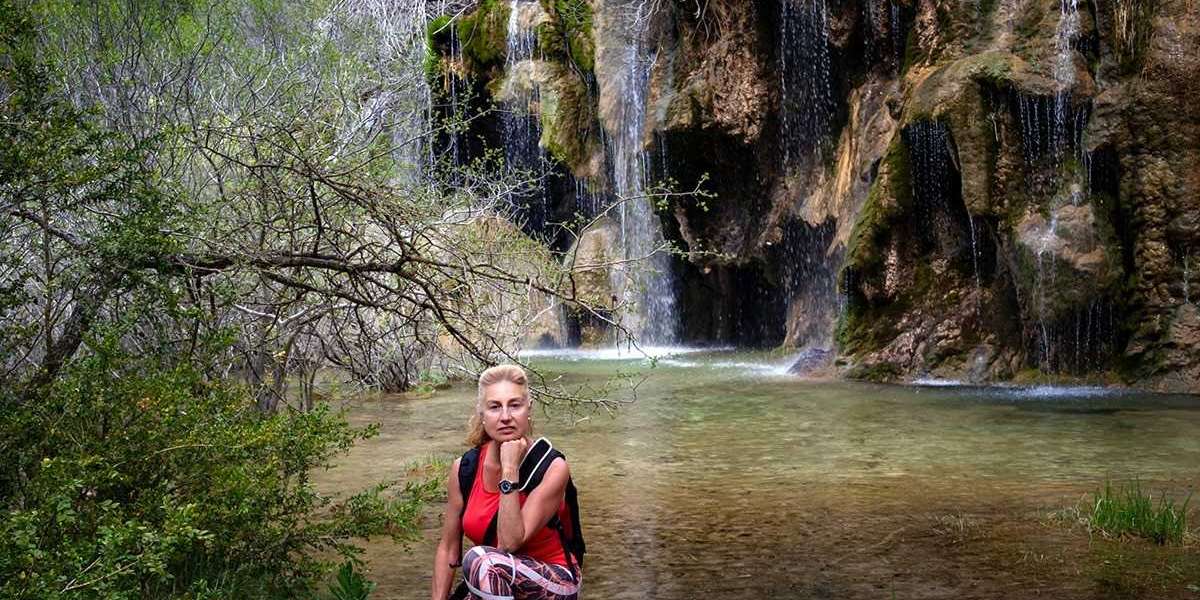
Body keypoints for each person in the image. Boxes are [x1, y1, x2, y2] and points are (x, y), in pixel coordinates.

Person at [431, 365, 582, 600]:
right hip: (495, 580)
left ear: (528, 409)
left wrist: (509, 469)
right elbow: (448, 549)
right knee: (484, 565)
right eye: (494, 407)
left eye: (515, 405)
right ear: (482, 415)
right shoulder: (464, 469)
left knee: (483, 560)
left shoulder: (552, 467)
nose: (505, 417)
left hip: (553, 581)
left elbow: (509, 543)